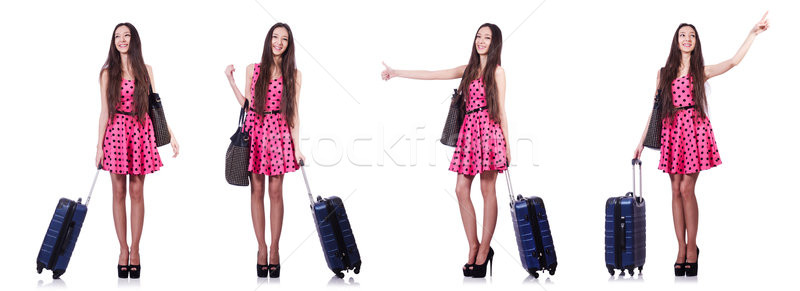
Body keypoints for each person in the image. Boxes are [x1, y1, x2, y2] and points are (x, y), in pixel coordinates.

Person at [634, 13, 770, 277]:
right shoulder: (663, 74)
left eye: (692, 35)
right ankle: (681, 248)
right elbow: (655, 109)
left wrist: (752, 33)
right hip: (671, 130)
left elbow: (732, 62)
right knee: (674, 189)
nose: (687, 39)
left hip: (694, 130)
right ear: (676, 41)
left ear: (696, 43)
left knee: (687, 188)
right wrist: (640, 142)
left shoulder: (701, 71)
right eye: (683, 35)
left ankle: (693, 247)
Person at [381, 23, 510, 278]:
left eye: (487, 38)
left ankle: (484, 250)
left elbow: (502, 110)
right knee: (461, 189)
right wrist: (396, 72)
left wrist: (507, 145)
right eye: (478, 36)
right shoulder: (467, 70)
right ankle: (473, 245)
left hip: (489, 131)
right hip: (469, 132)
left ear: (494, 43)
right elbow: (431, 74)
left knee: (487, 190)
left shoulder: (497, 72)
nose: (481, 41)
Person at [96, 22, 180, 279]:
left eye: (126, 35)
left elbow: (155, 106)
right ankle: (123, 251)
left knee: (137, 192)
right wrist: (98, 146)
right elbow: (104, 111)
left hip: (141, 131)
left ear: (134, 40)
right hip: (116, 132)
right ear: (114, 41)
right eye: (117, 36)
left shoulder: (146, 70)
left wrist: (171, 134)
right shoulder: (107, 72)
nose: (122, 40)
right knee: (118, 191)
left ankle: (136, 251)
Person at [224, 22, 305, 278]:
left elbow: (293, 112)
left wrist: (298, 147)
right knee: (257, 190)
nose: (278, 42)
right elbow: (247, 104)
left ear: (289, 44)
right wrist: (231, 81)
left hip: (279, 132)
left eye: (284, 39)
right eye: (275, 37)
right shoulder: (253, 69)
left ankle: (275, 250)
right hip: (255, 131)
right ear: (269, 40)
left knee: (276, 192)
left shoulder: (294, 74)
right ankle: (261, 249)